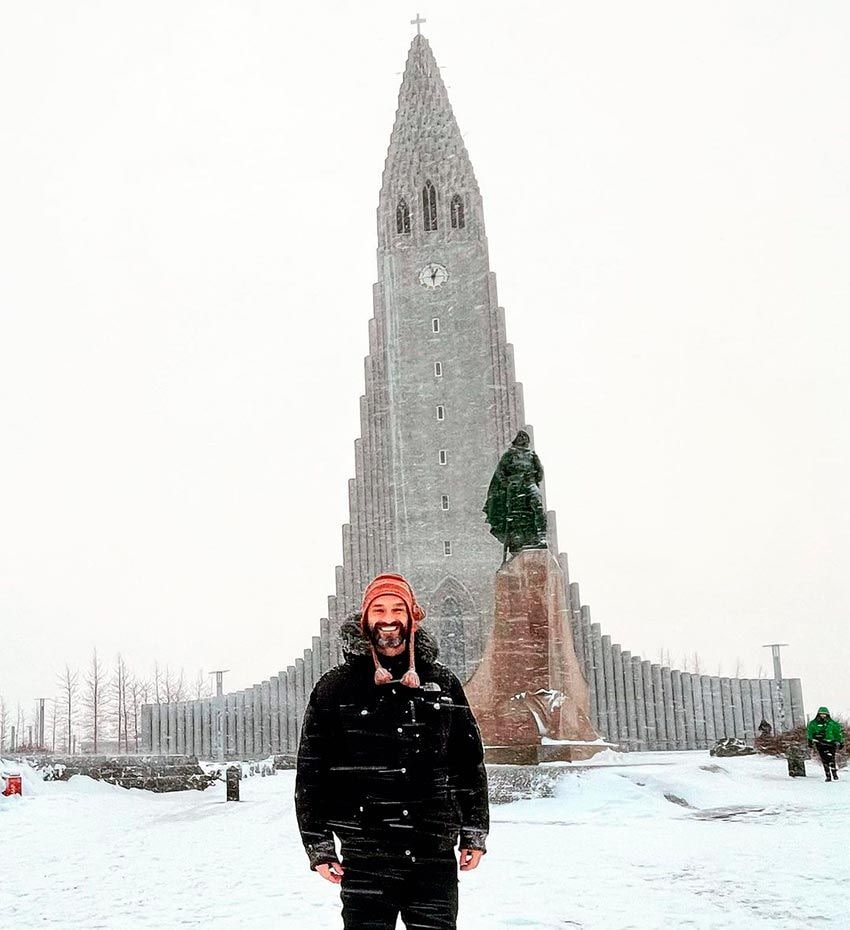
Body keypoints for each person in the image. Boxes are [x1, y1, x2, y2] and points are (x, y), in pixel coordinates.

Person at [295, 572, 489, 930]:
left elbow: (468, 763)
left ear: (412, 616)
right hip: (367, 855)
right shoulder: (335, 689)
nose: (388, 618)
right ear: (366, 620)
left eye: (398, 608)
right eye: (379, 609)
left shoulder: (443, 683)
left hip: (432, 855)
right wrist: (319, 846)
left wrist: (474, 830)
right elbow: (312, 773)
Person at [806, 706, 844, 782]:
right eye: (821, 714)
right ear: (818, 714)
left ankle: (834, 773)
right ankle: (828, 775)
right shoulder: (813, 724)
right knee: (824, 760)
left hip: (831, 743)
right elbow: (810, 732)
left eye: (824, 714)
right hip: (820, 743)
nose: (823, 715)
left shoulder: (833, 724)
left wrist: (840, 741)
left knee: (831, 758)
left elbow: (838, 733)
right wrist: (810, 740)